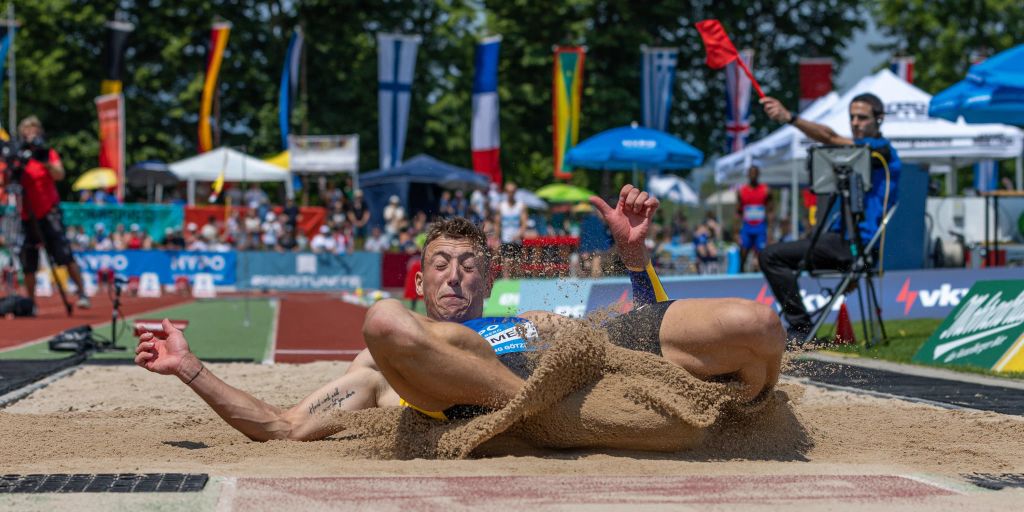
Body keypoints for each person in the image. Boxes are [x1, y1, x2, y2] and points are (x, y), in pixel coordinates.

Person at [135, 184, 784, 441]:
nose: (454, 274)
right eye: (441, 263)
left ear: (490, 278)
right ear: (421, 277)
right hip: (494, 393)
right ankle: (537, 414)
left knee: (754, 325)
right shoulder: (383, 365)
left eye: (470, 265)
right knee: (384, 321)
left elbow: (653, 336)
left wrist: (634, 260)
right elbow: (280, 428)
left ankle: (730, 412)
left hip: (594, 367)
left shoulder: (536, 313)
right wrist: (191, 368)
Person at [759, 93, 901, 340]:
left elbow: (830, 137)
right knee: (777, 254)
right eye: (852, 117)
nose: (855, 123)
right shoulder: (860, 152)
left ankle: (801, 329)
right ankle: (801, 326)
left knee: (770, 256)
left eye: (862, 117)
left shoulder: (882, 152)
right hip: (841, 242)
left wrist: (790, 118)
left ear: (879, 120)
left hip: (858, 247)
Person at [4, 116, 91, 308]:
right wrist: (15, 166)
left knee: (64, 255)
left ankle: (82, 293)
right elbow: (6, 183)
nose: (30, 133)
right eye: (27, 130)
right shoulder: (18, 156)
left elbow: (60, 174)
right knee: (28, 261)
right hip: (27, 215)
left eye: (34, 129)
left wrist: (43, 161)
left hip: (49, 212)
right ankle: (31, 302)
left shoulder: (47, 153)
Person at [736, 165, 772, 272]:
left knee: (761, 254)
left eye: (755, 173)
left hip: (760, 227)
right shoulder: (742, 191)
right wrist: (736, 231)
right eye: (751, 173)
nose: (753, 176)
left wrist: (770, 229)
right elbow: (738, 212)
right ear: (747, 175)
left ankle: (760, 277)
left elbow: (770, 210)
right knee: (743, 252)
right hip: (747, 227)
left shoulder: (765, 190)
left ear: (758, 175)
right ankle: (741, 273)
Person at [497, 182, 528, 278]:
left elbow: (524, 223)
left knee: (517, 265)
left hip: (517, 239)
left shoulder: (521, 206)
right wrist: (496, 238)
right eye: (509, 191)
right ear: (505, 192)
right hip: (505, 239)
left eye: (513, 192)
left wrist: (520, 234)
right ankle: (506, 285)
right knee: (506, 262)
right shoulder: (501, 206)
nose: (511, 194)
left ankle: (518, 286)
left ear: (515, 192)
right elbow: (497, 224)